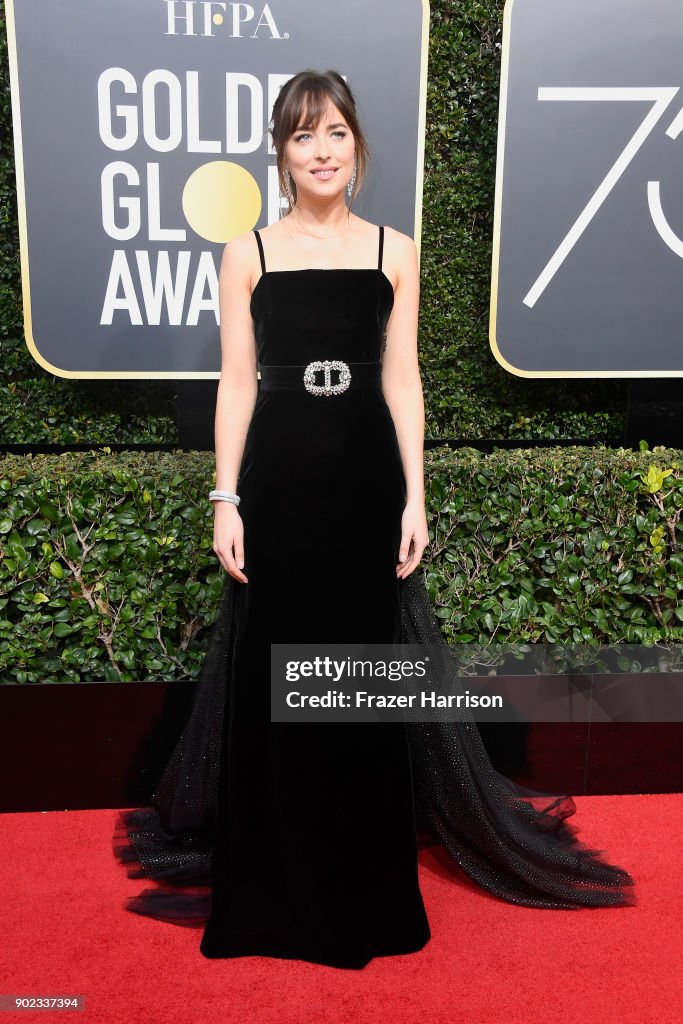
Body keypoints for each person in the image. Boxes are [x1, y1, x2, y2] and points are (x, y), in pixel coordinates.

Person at [113, 69, 637, 971]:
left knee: (359, 684)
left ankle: (360, 883)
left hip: (362, 482)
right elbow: (235, 385)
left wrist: (415, 494)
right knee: (277, 680)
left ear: (357, 146)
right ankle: (275, 884)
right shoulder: (249, 253)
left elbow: (402, 380)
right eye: (302, 136)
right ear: (279, 154)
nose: (321, 152)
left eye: (336, 135)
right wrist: (225, 499)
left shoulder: (396, 247)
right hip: (277, 485)